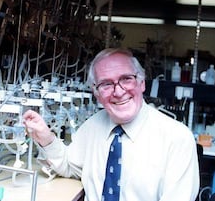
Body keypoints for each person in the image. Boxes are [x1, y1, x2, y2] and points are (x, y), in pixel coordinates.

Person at [23, 48, 200, 201]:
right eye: (106, 84)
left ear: (142, 83)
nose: (118, 91)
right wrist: (46, 138)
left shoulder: (177, 139)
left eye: (126, 79)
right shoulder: (93, 126)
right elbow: (69, 166)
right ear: (97, 93)